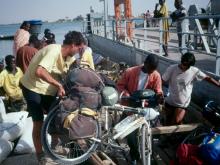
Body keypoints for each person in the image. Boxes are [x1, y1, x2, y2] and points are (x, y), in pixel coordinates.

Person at [20, 31, 84, 164]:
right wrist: (58, 85)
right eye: (79, 48)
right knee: (38, 122)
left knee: (57, 117)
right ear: (73, 45)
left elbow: (73, 74)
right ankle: (40, 155)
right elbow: (40, 71)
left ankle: (55, 145)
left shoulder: (70, 58)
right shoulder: (53, 50)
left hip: (49, 90)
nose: (79, 51)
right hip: (32, 87)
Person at [117, 54, 163, 164]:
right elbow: (120, 85)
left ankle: (149, 154)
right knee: (129, 133)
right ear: (145, 63)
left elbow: (158, 90)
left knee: (150, 131)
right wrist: (127, 94)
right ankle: (134, 155)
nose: (151, 71)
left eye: (153, 69)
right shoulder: (130, 71)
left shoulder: (156, 75)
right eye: (150, 68)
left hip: (146, 107)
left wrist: (159, 96)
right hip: (131, 105)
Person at [162, 52, 220, 125]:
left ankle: (180, 127)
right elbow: (162, 80)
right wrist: (159, 92)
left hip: (182, 104)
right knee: (168, 122)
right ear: (181, 61)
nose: (184, 67)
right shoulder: (172, 68)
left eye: (187, 65)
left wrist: (218, 84)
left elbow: (207, 78)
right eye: (183, 64)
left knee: (176, 121)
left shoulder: (194, 71)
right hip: (170, 100)